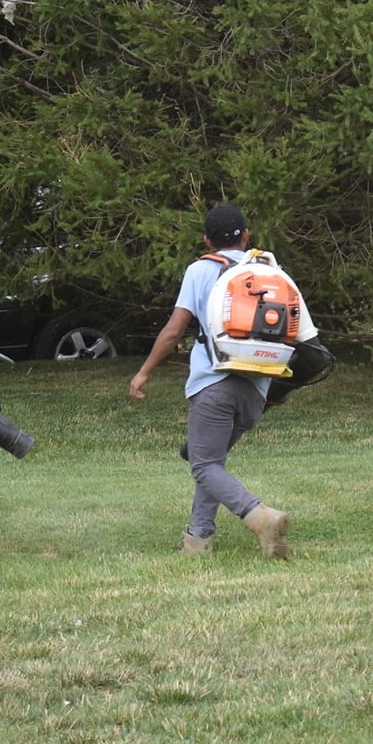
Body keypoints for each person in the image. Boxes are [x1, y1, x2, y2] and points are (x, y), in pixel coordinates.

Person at [129, 205, 293, 558]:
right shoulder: (267, 269)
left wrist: (143, 372)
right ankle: (198, 540)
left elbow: (174, 331)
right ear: (246, 235)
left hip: (214, 384)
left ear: (207, 240)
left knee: (203, 464)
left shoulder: (201, 270)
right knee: (211, 463)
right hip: (256, 388)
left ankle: (259, 516)